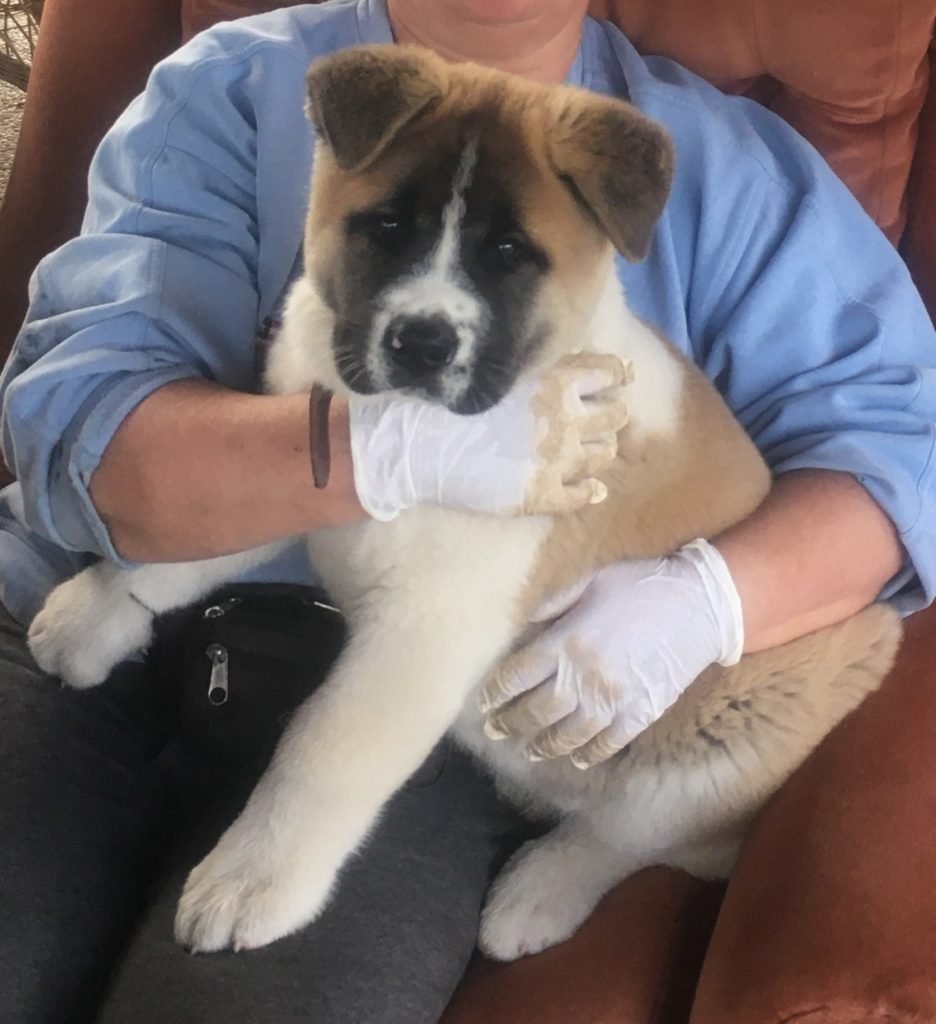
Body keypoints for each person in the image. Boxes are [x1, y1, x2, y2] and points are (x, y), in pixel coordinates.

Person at [0, 0, 933, 1021]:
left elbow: (902, 445)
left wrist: (708, 601)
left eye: (509, 255)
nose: (430, 311)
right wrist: (366, 452)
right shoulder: (235, 87)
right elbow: (69, 415)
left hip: (422, 717)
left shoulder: (718, 169)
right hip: (88, 603)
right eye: (385, 230)